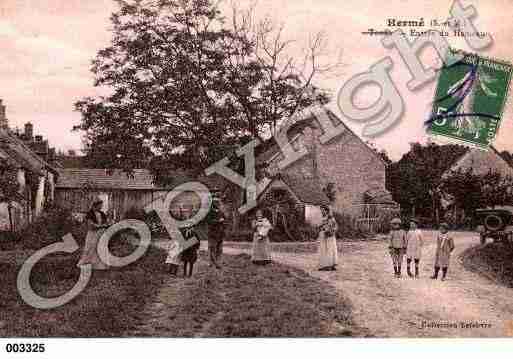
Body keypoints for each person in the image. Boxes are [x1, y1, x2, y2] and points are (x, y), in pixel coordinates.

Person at [77, 196, 110, 270]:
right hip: (92, 234)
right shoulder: (90, 214)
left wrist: (107, 225)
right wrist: (101, 226)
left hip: (100, 233)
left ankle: (99, 265)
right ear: (96, 205)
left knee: (100, 248)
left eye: (102, 205)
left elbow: (106, 222)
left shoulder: (102, 214)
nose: (101, 207)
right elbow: (90, 225)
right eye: (100, 205)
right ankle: (87, 263)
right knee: (90, 248)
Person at [206, 189, 226, 268]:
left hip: (220, 232)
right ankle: (214, 263)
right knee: (212, 248)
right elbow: (208, 221)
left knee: (219, 248)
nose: (218, 203)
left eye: (218, 201)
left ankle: (217, 261)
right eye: (215, 201)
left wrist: (223, 222)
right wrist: (218, 221)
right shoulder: (210, 211)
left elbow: (225, 219)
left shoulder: (221, 211)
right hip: (212, 232)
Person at [317, 205, 339, 271]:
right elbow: (320, 226)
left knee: (330, 249)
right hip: (323, 235)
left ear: (326, 211)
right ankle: (325, 265)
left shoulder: (330, 218)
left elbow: (335, 226)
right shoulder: (323, 217)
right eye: (321, 210)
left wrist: (330, 231)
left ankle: (330, 265)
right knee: (323, 250)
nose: (322, 211)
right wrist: (320, 227)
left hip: (329, 236)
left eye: (323, 210)